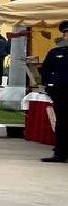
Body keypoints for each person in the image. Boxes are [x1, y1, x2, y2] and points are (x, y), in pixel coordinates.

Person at [38, 20, 68, 163]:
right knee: (62, 123)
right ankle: (60, 154)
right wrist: (49, 85)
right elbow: (45, 70)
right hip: (61, 94)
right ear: (64, 36)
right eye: (67, 34)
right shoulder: (55, 53)